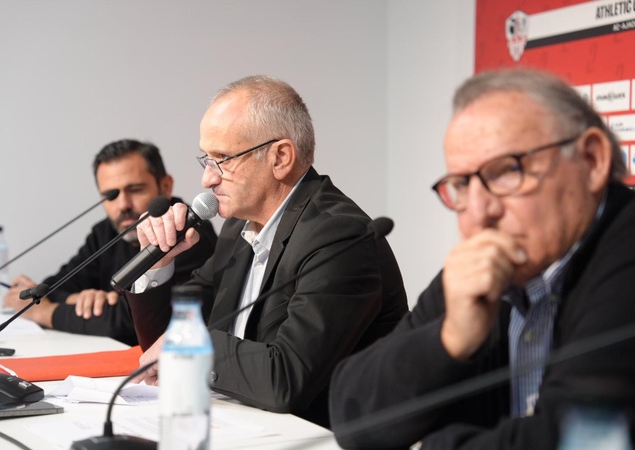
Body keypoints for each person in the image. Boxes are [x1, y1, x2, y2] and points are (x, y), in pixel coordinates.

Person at [329, 68, 635, 449]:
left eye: (507, 171)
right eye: (461, 184)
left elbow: (585, 439)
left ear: (591, 160)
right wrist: (450, 339)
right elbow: (351, 416)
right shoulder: (488, 266)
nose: (478, 212)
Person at [126, 75, 409, 427]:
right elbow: (162, 351)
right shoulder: (237, 229)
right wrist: (158, 268)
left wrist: (197, 343)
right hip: (244, 426)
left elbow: (287, 380)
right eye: (207, 160)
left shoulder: (337, 236)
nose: (207, 179)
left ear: (280, 157)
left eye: (223, 159)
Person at [2, 139, 218, 346]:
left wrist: (43, 312)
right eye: (111, 196)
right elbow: (56, 286)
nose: (123, 205)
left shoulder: (188, 233)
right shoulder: (106, 232)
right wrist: (79, 298)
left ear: (165, 186)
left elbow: (126, 324)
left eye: (135, 190)